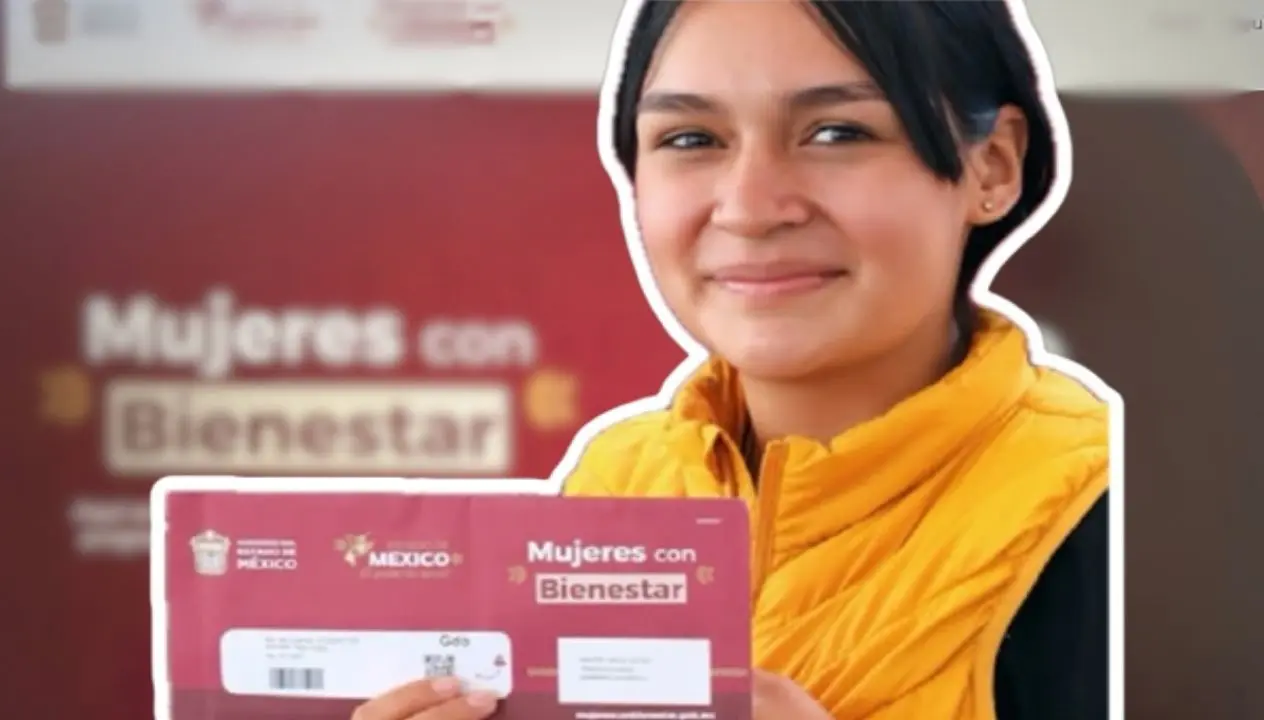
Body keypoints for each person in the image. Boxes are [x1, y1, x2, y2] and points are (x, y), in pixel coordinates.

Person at [352, 1, 1112, 719]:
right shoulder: (614, 484)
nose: (750, 207)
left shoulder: (1105, 512)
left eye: (838, 132)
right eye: (691, 141)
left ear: (993, 167)